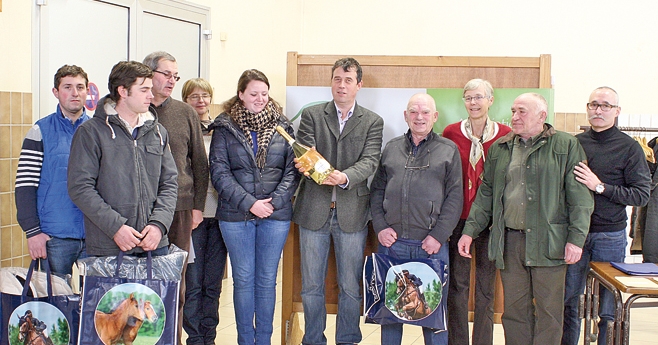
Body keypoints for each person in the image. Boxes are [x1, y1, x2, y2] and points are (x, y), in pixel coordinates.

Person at [457, 93, 594, 345]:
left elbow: (580, 198)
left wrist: (576, 239)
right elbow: (486, 193)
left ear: (542, 116)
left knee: (549, 313)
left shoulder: (565, 145)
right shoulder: (500, 148)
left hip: (550, 242)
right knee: (514, 312)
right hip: (510, 242)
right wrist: (469, 231)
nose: (515, 117)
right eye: (513, 111)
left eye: (522, 111)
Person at [293, 57, 384, 345]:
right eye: (337, 79)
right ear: (331, 82)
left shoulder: (372, 121)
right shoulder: (312, 115)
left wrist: (343, 177)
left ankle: (347, 339)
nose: (341, 85)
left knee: (350, 286)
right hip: (312, 210)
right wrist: (321, 172)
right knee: (311, 286)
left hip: (352, 212)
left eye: (348, 80)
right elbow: (305, 154)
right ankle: (313, 339)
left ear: (359, 85)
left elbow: (370, 161)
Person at [209, 69, 299, 345]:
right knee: (244, 280)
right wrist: (251, 204)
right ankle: (245, 340)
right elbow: (220, 173)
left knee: (267, 280)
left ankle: (264, 340)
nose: (260, 99)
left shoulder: (283, 126)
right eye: (253, 94)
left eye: (264, 93)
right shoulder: (225, 127)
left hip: (275, 214)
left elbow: (292, 171)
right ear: (240, 95)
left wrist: (273, 202)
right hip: (236, 217)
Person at [370, 93, 462, 345]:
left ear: (435, 116)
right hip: (393, 245)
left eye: (425, 112)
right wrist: (380, 227)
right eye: (413, 112)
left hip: (431, 246)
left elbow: (455, 198)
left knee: (432, 314)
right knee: (390, 314)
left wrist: (439, 235)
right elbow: (377, 191)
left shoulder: (448, 150)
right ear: (405, 116)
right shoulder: (391, 148)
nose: (419, 117)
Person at [561, 87, 651, 345]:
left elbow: (640, 195)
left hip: (609, 236)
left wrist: (599, 186)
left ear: (617, 111)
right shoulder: (573, 143)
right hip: (574, 235)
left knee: (608, 307)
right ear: (587, 108)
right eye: (594, 105)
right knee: (569, 302)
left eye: (605, 106)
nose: (598, 110)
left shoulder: (630, 148)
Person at [67, 60, 177, 258]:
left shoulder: (158, 132)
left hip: (153, 244)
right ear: (123, 92)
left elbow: (169, 183)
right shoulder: (91, 132)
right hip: (110, 244)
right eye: (144, 90)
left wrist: (159, 225)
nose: (151, 95)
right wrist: (116, 227)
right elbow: (80, 187)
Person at [142, 51, 208, 343]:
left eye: (175, 76)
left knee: (176, 283)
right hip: (140, 210)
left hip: (180, 209)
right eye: (166, 74)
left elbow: (200, 163)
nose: (171, 81)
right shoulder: (134, 110)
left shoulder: (185, 112)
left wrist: (197, 207)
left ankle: (172, 338)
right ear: (148, 73)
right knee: (141, 279)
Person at [442, 79, 511, 345]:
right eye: (468, 98)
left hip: (491, 221)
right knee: (457, 287)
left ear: (490, 100)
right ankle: (457, 341)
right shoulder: (451, 133)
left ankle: (483, 341)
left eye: (479, 97)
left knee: (486, 288)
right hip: (459, 220)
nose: (473, 103)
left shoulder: (505, 134)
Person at [15, 65, 90, 276]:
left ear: (87, 91)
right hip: (54, 237)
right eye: (67, 87)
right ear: (56, 92)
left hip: (95, 236)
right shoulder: (40, 131)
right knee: (54, 304)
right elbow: (25, 185)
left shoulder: (99, 131)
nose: (75, 93)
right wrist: (33, 232)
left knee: (94, 304)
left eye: (80, 87)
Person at [181, 78, 228, 345]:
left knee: (213, 284)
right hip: (194, 218)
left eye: (205, 96)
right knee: (194, 284)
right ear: (185, 100)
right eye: (194, 96)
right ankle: (194, 338)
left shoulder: (221, 129)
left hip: (220, 217)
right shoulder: (184, 129)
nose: (200, 101)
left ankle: (209, 336)